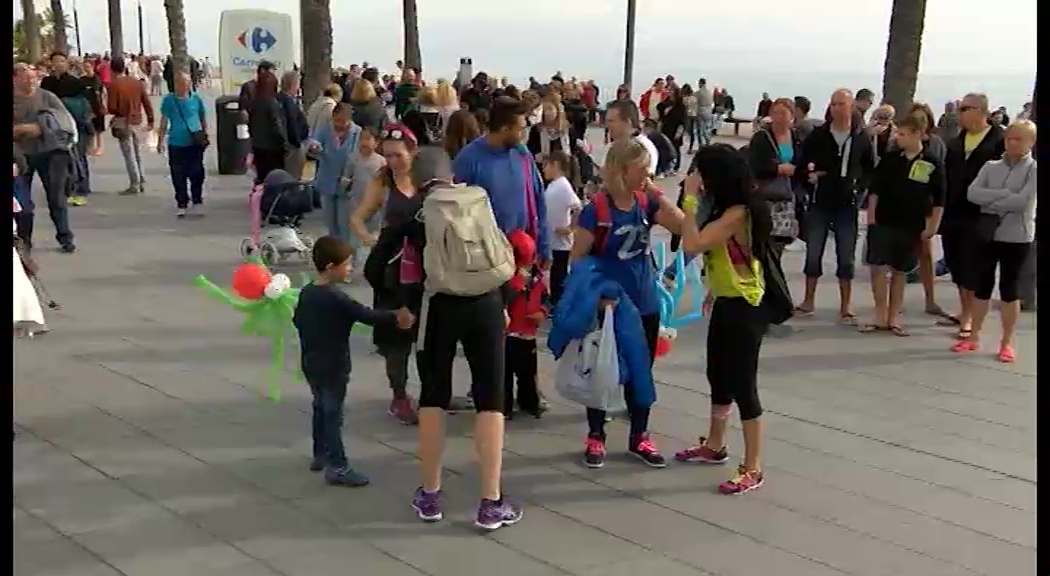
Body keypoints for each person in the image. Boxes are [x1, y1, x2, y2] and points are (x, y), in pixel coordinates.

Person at [413, 122, 533, 530]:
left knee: (433, 395)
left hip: (440, 307)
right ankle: (490, 501)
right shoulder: (474, 201)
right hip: (486, 300)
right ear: (452, 175)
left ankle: (430, 495)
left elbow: (383, 270)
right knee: (491, 398)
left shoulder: (419, 214)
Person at [569, 139, 691, 469]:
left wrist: (657, 192)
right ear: (622, 169)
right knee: (601, 369)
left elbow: (684, 227)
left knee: (641, 372)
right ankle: (596, 434)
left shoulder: (645, 202)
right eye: (642, 168)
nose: (647, 174)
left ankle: (640, 435)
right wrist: (595, 295)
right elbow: (578, 258)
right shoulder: (597, 209)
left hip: (644, 301)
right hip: (608, 305)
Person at [673, 144, 772, 495]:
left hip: (746, 305)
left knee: (744, 384)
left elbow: (693, 244)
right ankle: (715, 445)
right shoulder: (726, 208)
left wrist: (688, 199)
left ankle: (753, 466)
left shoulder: (738, 213)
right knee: (718, 375)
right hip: (726, 301)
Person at [293, 235, 415, 486]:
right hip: (334, 364)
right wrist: (397, 316)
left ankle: (320, 454)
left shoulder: (307, 293)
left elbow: (297, 321)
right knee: (333, 414)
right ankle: (338, 465)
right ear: (330, 267)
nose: (351, 268)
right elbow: (367, 316)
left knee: (319, 407)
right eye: (347, 264)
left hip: (310, 361)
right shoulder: (336, 298)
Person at [350, 125, 424, 425]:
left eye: (398, 155)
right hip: (392, 270)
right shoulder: (382, 181)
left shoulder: (425, 180)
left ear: (413, 152)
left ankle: (433, 392)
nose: (392, 161)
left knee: (427, 334)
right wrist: (370, 240)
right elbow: (357, 216)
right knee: (397, 337)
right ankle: (399, 395)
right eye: (388, 156)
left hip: (424, 267)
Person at [956, 120, 1036, 362]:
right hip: (988, 234)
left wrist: (990, 201)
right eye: (1009, 137)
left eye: (1018, 139)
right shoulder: (991, 166)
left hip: (1017, 236)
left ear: (1031, 142)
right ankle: (973, 337)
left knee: (1009, 290)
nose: (1012, 143)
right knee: (982, 286)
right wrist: (1002, 195)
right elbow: (972, 193)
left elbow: (1022, 201)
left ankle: (1007, 341)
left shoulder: (1034, 169)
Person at [860, 114, 945, 336]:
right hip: (884, 219)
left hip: (911, 224)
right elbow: (875, 189)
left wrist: (933, 226)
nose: (898, 137)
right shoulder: (890, 158)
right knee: (878, 267)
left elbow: (939, 198)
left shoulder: (931, 162)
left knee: (900, 270)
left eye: (903, 133)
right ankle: (880, 314)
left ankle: (893, 316)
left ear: (917, 134)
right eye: (898, 133)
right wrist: (871, 216)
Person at [794, 89, 875, 324]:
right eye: (833, 104)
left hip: (847, 204)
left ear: (851, 107)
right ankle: (808, 300)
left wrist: (860, 188)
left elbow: (870, 168)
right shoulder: (819, 135)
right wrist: (811, 177)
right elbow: (802, 164)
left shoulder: (860, 136)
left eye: (841, 104)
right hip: (820, 201)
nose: (836, 108)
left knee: (846, 256)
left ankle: (846, 305)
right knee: (813, 253)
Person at [940, 93, 1005, 340]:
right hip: (954, 210)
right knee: (956, 262)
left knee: (973, 265)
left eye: (965, 108)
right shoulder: (957, 141)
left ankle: (971, 317)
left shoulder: (998, 139)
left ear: (982, 111)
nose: (961, 112)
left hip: (982, 213)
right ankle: (964, 309)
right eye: (960, 108)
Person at [13, 63, 77, 254]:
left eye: (34, 78)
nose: (31, 82)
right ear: (15, 79)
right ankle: (24, 241)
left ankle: (65, 236)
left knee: (56, 197)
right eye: (26, 78)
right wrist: (20, 130)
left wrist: (41, 128)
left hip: (50, 153)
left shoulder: (47, 97)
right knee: (22, 203)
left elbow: (65, 122)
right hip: (19, 156)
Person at [748, 98, 804, 262]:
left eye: (783, 113)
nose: (778, 117)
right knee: (763, 239)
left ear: (792, 116)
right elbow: (753, 165)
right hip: (765, 194)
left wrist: (797, 170)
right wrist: (777, 169)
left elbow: (802, 161)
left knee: (781, 239)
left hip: (787, 195)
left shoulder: (796, 136)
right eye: (775, 113)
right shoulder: (762, 137)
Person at [503, 229, 548, 420]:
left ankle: (529, 402)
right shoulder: (505, 276)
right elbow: (504, 298)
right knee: (504, 374)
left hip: (528, 331)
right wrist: (517, 282)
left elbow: (545, 297)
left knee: (528, 372)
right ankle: (503, 407)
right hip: (507, 332)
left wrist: (542, 313)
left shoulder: (536, 275)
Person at [41, 51, 94, 207]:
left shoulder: (75, 82)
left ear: (67, 63)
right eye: (56, 61)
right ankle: (66, 188)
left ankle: (82, 188)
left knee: (78, 157)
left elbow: (87, 104)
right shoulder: (47, 82)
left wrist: (91, 128)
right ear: (51, 63)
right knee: (59, 159)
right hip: (54, 126)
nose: (59, 64)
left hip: (75, 125)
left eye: (62, 61)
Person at [156, 72, 208, 219]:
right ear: (176, 84)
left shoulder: (196, 99)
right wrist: (160, 141)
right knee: (178, 174)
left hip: (194, 142)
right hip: (176, 142)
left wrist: (204, 135)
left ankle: (197, 200)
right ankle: (182, 202)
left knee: (197, 172)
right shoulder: (169, 100)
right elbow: (164, 121)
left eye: (187, 83)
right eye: (181, 83)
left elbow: (202, 118)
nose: (185, 86)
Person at [309, 103, 362, 243]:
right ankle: (333, 249)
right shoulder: (325, 130)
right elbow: (314, 141)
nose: (340, 125)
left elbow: (360, 156)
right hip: (327, 180)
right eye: (337, 121)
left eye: (344, 122)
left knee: (344, 222)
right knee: (330, 221)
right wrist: (314, 147)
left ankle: (345, 251)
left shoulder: (358, 132)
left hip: (347, 182)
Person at [107, 56, 155, 196]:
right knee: (137, 151)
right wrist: (151, 120)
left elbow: (112, 107)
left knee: (128, 154)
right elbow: (146, 102)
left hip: (123, 121)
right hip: (137, 120)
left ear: (112, 69)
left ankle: (134, 183)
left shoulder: (114, 85)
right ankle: (141, 177)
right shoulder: (136, 83)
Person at [542, 151, 581, 307]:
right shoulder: (554, 185)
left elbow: (578, 207)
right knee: (555, 273)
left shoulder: (563, 185)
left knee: (559, 274)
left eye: (546, 165)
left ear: (555, 165)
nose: (543, 169)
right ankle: (555, 301)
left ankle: (559, 303)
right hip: (552, 239)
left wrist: (570, 228)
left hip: (560, 241)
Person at [248, 72, 289, 184]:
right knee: (274, 179)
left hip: (258, 146)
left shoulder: (254, 103)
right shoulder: (272, 103)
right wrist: (285, 143)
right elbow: (277, 126)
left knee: (261, 177)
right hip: (273, 148)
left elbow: (250, 124)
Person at [605, 100, 659, 176]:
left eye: (611, 121)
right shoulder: (611, 146)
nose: (607, 126)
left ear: (628, 122)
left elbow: (644, 182)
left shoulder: (644, 148)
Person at [277, 71, 309, 179]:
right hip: (293, 145)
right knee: (293, 175)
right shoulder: (288, 101)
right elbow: (292, 123)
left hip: (291, 143)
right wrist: (297, 142)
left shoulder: (282, 99)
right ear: (293, 84)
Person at [657, 85, 687, 175]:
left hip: (676, 129)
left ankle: (675, 167)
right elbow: (659, 108)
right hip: (666, 128)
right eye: (669, 91)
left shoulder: (681, 106)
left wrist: (679, 132)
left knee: (675, 148)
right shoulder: (667, 103)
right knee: (665, 148)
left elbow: (683, 121)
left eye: (671, 91)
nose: (669, 93)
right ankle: (666, 166)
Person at [80, 60, 106, 157]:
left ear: (92, 67)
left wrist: (103, 106)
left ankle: (100, 147)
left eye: (88, 66)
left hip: (97, 106)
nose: (86, 69)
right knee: (90, 128)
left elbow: (100, 93)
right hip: (86, 106)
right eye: (85, 67)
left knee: (99, 129)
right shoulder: (82, 80)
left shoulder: (96, 79)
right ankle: (90, 147)